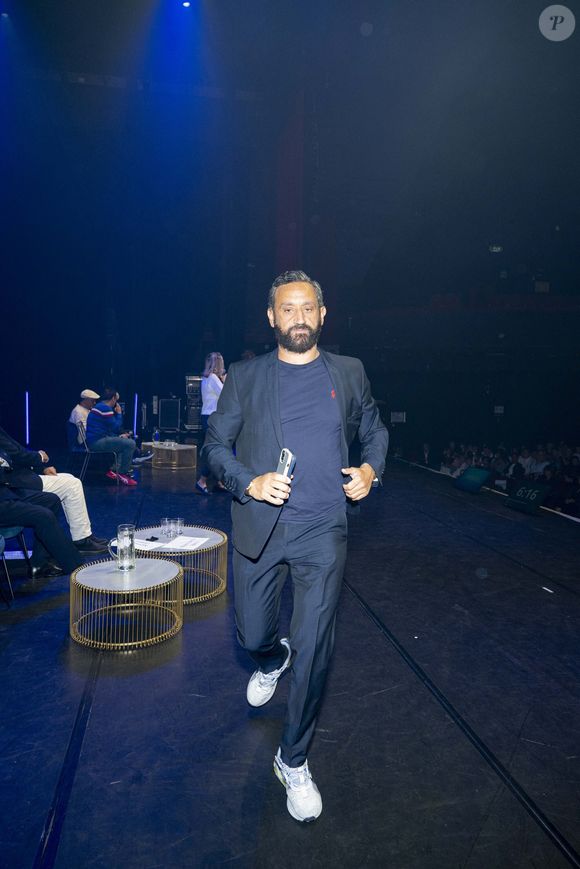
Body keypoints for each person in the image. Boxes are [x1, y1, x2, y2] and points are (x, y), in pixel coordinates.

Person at [203, 270, 388, 822]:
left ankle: (293, 758)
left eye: (308, 308)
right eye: (288, 309)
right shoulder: (244, 377)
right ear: (272, 318)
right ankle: (271, 657)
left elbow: (375, 430)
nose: (299, 317)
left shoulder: (349, 372)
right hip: (261, 526)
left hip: (323, 529)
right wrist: (248, 481)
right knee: (254, 633)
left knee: (316, 646)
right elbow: (214, 447)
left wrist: (370, 469)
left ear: (323, 314)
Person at [0, 425, 108, 558]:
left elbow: (14, 453)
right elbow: (15, 455)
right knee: (72, 485)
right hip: (13, 485)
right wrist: (39, 457)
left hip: (17, 478)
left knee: (70, 479)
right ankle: (82, 540)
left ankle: (84, 536)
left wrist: (41, 467)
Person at [86, 388, 138, 486]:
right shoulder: (105, 408)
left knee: (124, 442)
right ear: (113, 398)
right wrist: (118, 413)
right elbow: (116, 427)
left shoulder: (99, 406)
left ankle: (115, 471)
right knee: (131, 444)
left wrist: (119, 436)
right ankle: (122, 473)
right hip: (97, 442)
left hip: (97, 440)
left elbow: (108, 429)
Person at [196, 352, 226, 494]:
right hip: (212, 417)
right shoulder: (214, 378)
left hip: (207, 416)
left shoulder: (205, 378)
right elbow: (225, 394)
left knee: (219, 450)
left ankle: (219, 481)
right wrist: (225, 381)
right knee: (215, 450)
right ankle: (202, 480)